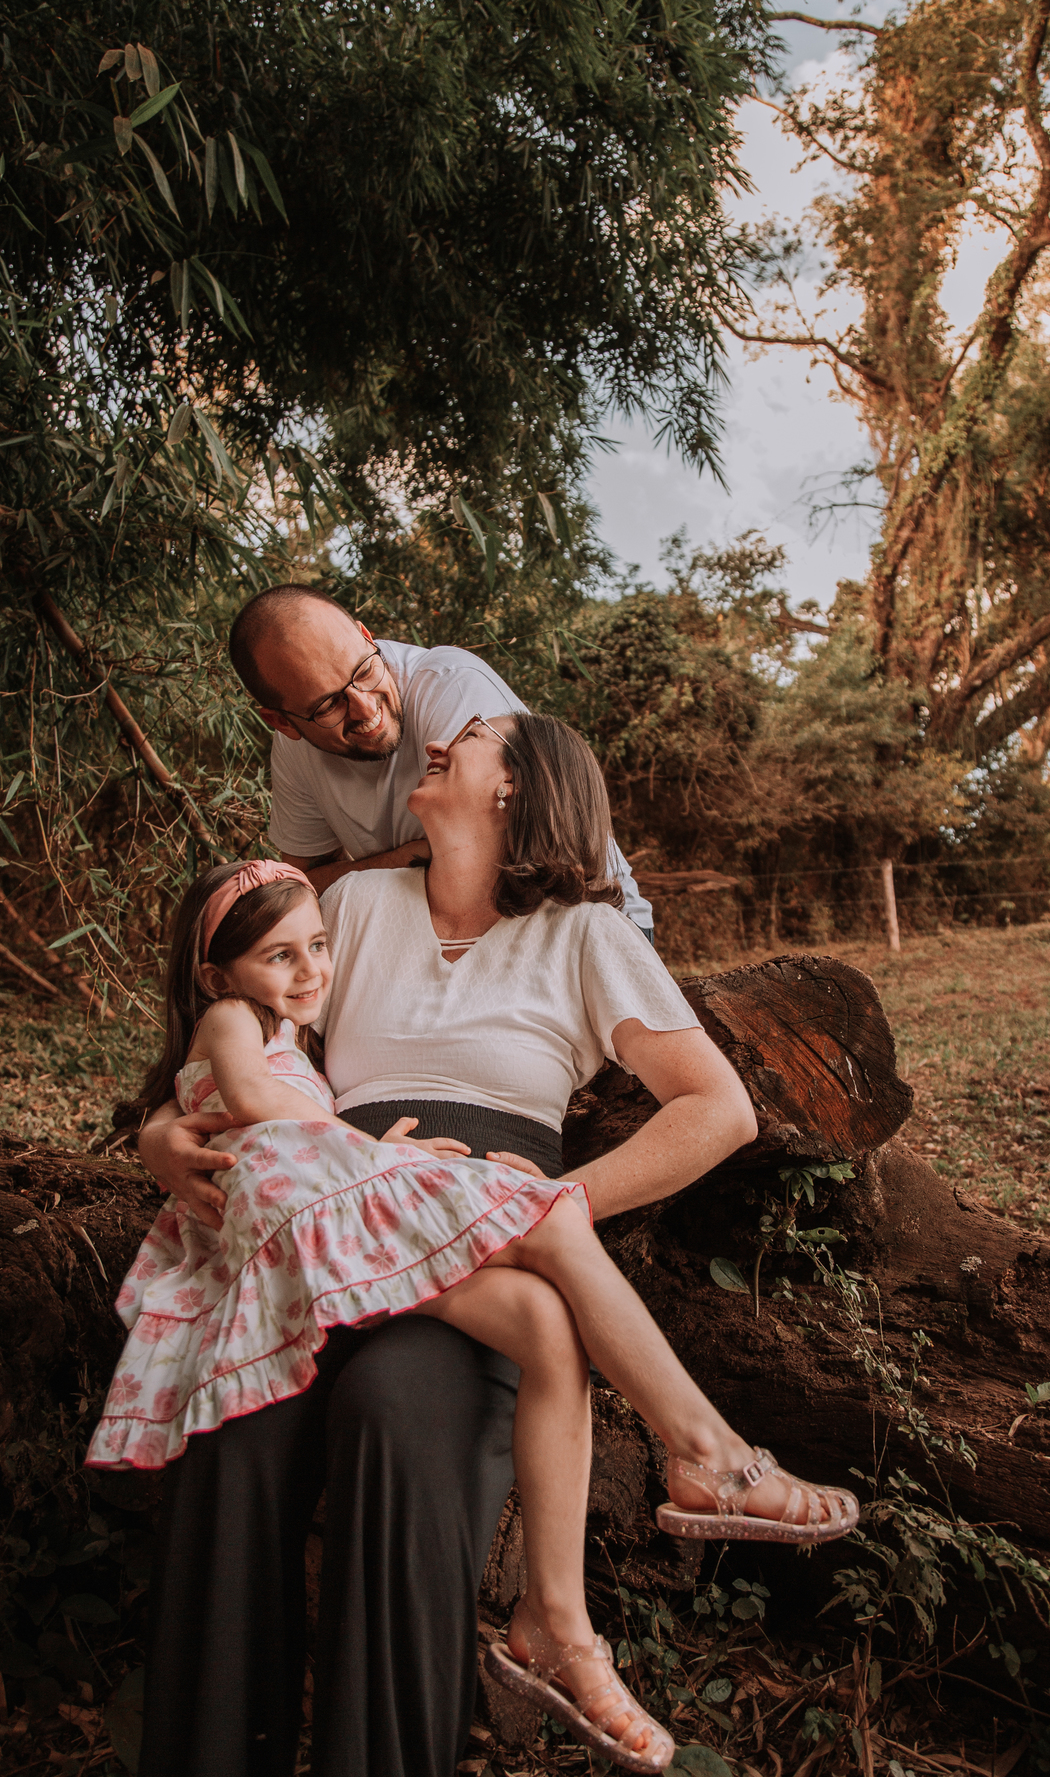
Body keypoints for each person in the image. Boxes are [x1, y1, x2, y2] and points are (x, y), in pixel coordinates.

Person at [132, 712, 856, 1777]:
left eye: (470, 736)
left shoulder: (588, 935)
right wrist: (160, 1132)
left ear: (517, 788)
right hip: (326, 1203)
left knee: (399, 1413)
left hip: (483, 1231)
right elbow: (243, 1034)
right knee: (236, 1428)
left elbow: (718, 1110)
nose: (437, 739)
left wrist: (556, 1196)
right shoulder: (353, 906)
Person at [225, 582, 654, 934]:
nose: (364, 708)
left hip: (589, 926)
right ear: (283, 722)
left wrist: (374, 871)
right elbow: (299, 888)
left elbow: (498, 861)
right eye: (327, 706)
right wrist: (409, 856)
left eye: (364, 671)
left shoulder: (451, 686)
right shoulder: (295, 751)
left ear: (366, 636)